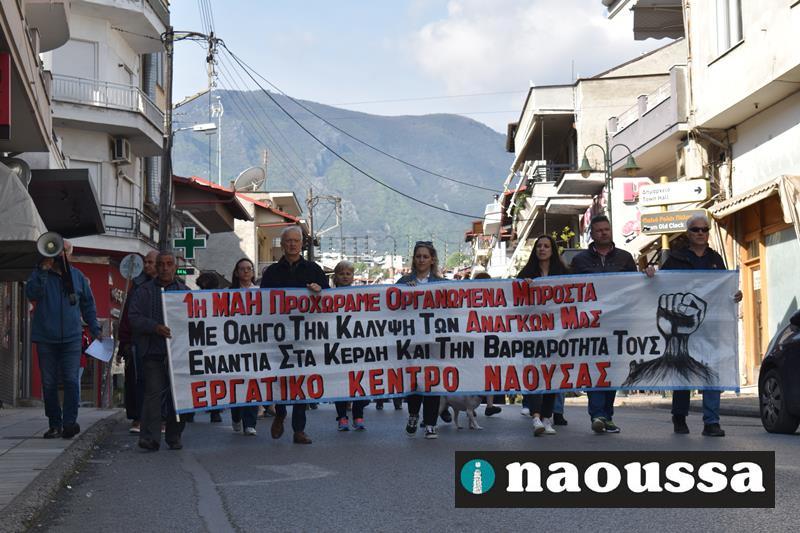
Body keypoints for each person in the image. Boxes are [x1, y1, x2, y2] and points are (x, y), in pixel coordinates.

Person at [648, 214, 742, 437]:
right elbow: (661, 285)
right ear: (688, 234)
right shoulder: (675, 258)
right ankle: (679, 416)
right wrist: (651, 275)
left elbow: (723, 289)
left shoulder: (716, 258)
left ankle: (711, 422)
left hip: (711, 326)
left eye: (704, 229)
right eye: (696, 229)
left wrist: (735, 294)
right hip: (682, 325)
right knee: (683, 371)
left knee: (712, 371)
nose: (701, 233)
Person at [260, 226, 329, 445]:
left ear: (301, 244)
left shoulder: (313, 269)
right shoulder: (271, 272)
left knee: (301, 381)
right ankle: (280, 413)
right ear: (282, 244)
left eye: (296, 240)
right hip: (279, 336)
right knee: (281, 379)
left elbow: (330, 297)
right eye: (288, 241)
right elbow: (261, 303)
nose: (292, 244)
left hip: (305, 335)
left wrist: (320, 291)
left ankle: (299, 429)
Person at [26, 240, 101, 439]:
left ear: (71, 255)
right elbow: (32, 293)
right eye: (58, 250)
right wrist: (43, 270)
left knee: (71, 380)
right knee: (49, 383)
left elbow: (88, 305)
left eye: (65, 250)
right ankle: (54, 424)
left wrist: (95, 329)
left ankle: (69, 423)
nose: (61, 254)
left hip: (71, 338)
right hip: (45, 337)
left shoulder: (78, 277)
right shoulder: (40, 274)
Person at [570, 215, 638, 434]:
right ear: (592, 234)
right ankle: (598, 414)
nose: (603, 233)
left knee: (614, 369)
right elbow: (569, 290)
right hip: (591, 324)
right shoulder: (580, 260)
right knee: (595, 367)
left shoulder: (625, 258)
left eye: (606, 229)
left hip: (618, 322)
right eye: (599, 230)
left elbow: (636, 287)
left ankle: (607, 415)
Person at [129, 250, 188, 451]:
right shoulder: (143, 291)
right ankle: (150, 437)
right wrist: (154, 327)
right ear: (156, 266)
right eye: (161, 264)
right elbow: (134, 317)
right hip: (153, 351)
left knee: (177, 396)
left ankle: (174, 435)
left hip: (178, 353)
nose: (164, 268)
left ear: (175, 267)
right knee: (153, 394)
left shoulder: (184, 291)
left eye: (169, 264)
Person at [517, 235, 568, 436]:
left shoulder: (564, 273)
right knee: (535, 375)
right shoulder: (526, 273)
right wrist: (523, 286)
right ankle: (536, 417)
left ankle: (547, 418)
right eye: (539, 246)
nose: (542, 249)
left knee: (552, 375)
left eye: (546, 246)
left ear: (552, 250)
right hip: (533, 334)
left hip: (557, 333)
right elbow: (514, 297)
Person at [397, 241, 446, 440]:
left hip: (434, 341)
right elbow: (392, 308)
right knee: (414, 380)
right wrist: (404, 292)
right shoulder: (403, 281)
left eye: (425, 256)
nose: (421, 260)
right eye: (418, 256)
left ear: (432, 259)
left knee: (433, 381)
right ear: (414, 259)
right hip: (411, 341)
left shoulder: (441, 284)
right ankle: (413, 414)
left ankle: (431, 423)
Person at [118, 250, 158, 434]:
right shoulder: (137, 286)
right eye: (146, 262)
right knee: (138, 381)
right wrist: (124, 343)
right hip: (139, 341)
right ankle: (138, 417)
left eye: (150, 262)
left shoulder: (170, 285)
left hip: (161, 341)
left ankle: (160, 418)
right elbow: (128, 316)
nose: (147, 265)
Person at [331, 261, 370, 431]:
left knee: (360, 380)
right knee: (340, 382)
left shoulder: (361, 296)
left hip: (357, 345)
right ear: (336, 276)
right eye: (342, 274)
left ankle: (358, 414)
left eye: (348, 274)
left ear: (353, 276)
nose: (345, 277)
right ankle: (342, 417)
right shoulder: (328, 296)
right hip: (337, 346)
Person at [227, 259, 260, 435]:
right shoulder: (228, 294)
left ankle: (250, 423)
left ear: (253, 272)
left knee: (252, 383)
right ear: (236, 272)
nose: (246, 271)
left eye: (249, 268)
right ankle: (236, 415)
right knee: (237, 383)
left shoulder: (261, 293)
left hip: (254, 346)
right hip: (234, 346)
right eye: (242, 269)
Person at [194, 272, 224, 424]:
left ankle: (192, 411)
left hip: (203, 342)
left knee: (199, 377)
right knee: (214, 378)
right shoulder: (222, 298)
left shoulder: (195, 298)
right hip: (211, 343)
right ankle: (215, 411)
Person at [472, 272, 502, 416]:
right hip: (488, 342)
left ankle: (473, 406)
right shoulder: (494, 300)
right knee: (489, 372)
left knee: (481, 372)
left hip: (479, 343)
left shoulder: (470, 299)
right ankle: (488, 405)